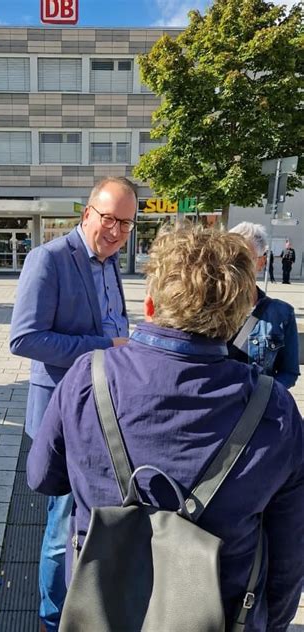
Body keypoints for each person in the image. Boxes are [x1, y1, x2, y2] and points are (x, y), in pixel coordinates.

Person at [27, 226, 303, 631]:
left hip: (101, 606)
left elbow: (42, 478)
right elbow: (289, 555)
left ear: (152, 302)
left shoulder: (90, 375)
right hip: (220, 615)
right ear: (240, 313)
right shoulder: (273, 408)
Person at [10, 176, 137, 631]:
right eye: (109, 219)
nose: (117, 230)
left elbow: (113, 320)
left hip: (105, 409)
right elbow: (24, 338)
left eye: (126, 222)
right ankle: (51, 619)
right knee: (61, 525)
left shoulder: (111, 262)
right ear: (87, 213)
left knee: (91, 519)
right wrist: (103, 345)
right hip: (62, 413)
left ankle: (87, 607)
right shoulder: (48, 259)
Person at [229, 222, 299, 388]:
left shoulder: (281, 313)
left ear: (262, 261)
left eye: (245, 258)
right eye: (229, 256)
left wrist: (263, 398)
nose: (235, 265)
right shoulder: (206, 308)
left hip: (256, 409)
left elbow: (289, 372)